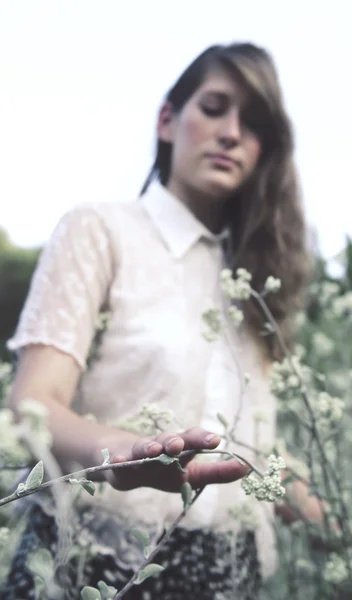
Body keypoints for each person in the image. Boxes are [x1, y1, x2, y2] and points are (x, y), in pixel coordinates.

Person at [2, 42, 310, 599]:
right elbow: (33, 403)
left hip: (231, 577)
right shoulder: (101, 230)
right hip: (96, 561)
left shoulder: (257, 281)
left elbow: (255, 451)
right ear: (168, 120)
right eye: (214, 108)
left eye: (253, 122)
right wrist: (119, 455)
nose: (232, 133)